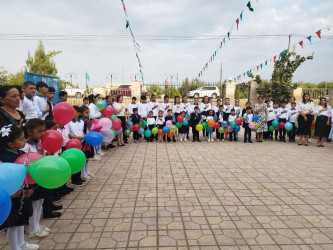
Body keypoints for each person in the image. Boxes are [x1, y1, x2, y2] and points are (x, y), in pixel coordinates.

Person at [0, 125, 39, 250]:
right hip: (11, 195)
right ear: (11, 143)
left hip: (22, 191)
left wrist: (27, 188)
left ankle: (22, 243)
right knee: (13, 225)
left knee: (21, 220)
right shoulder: (4, 158)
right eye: (22, 139)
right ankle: (14, 247)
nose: (25, 141)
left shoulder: (22, 154)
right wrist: (12, 192)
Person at [22, 119, 51, 238]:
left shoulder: (39, 144)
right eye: (39, 131)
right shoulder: (25, 146)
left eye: (44, 130)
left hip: (40, 177)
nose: (43, 133)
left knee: (40, 202)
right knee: (34, 203)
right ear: (29, 131)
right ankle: (33, 229)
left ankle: (37, 226)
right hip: (31, 180)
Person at [67, 106, 88, 183]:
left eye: (73, 112)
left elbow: (81, 131)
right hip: (73, 144)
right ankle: (74, 179)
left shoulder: (82, 122)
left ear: (78, 113)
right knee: (74, 160)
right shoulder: (68, 123)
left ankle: (78, 176)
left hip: (80, 143)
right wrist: (77, 137)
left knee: (79, 159)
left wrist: (84, 136)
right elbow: (68, 134)